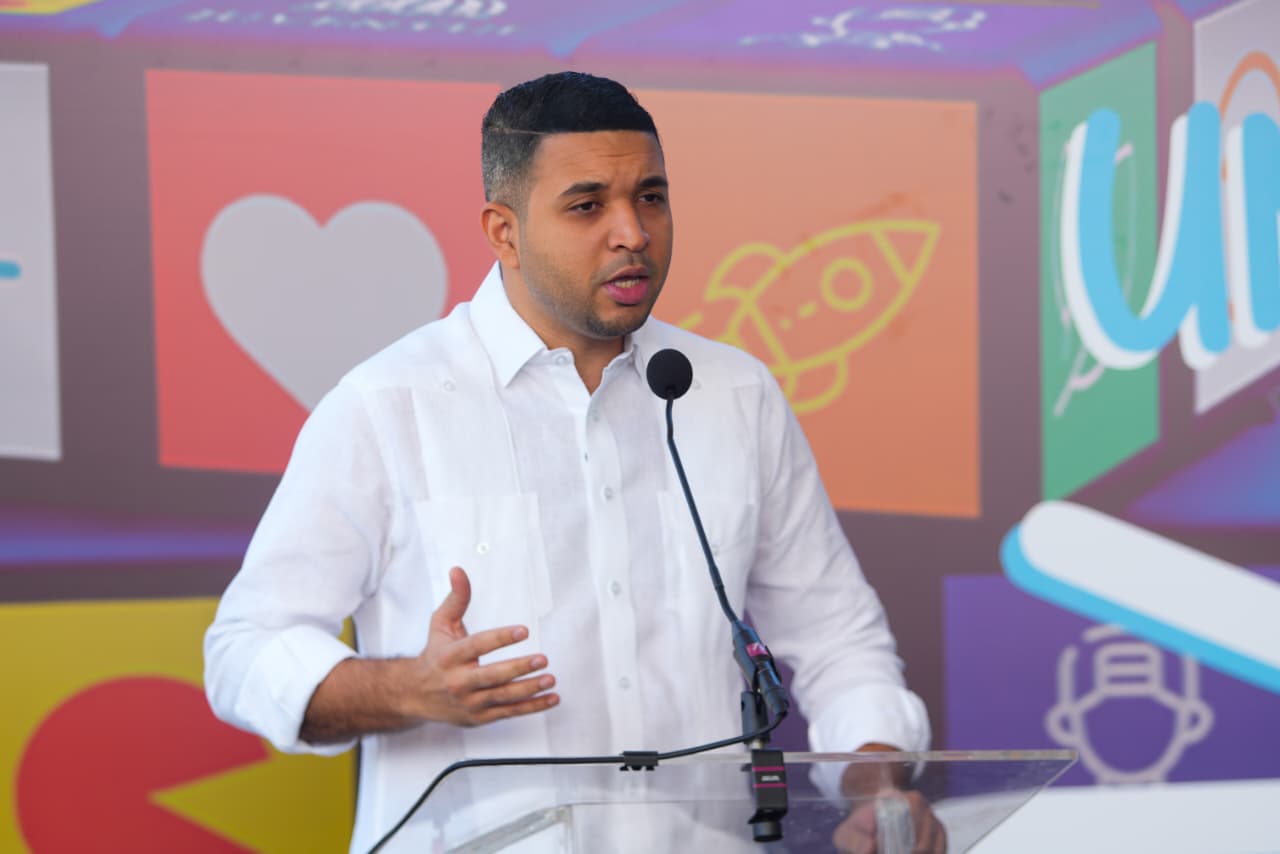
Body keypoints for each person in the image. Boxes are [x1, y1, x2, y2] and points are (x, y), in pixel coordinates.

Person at [204, 71, 938, 853]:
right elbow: (245, 651)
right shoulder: (389, 405)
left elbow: (838, 641)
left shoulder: (732, 394)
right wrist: (409, 689)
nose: (633, 233)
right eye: (587, 206)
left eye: (650, 197)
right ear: (504, 232)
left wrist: (876, 791)